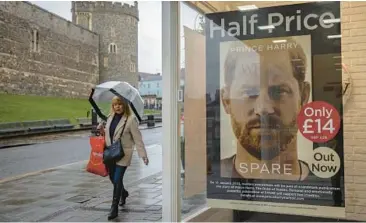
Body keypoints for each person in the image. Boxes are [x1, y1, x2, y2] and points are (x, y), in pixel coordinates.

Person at [220, 37, 311, 181]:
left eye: (279, 91)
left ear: (304, 97)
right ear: (226, 101)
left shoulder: (325, 185)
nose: (263, 108)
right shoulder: (210, 180)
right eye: (249, 92)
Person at [98, 96, 149, 220]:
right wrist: (102, 131)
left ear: (125, 106)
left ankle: (114, 207)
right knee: (112, 178)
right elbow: (109, 135)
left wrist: (143, 155)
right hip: (111, 153)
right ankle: (123, 193)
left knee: (117, 178)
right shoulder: (109, 118)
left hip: (124, 154)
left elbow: (138, 139)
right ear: (113, 106)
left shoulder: (131, 120)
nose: (117, 107)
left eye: (120, 104)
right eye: (115, 104)